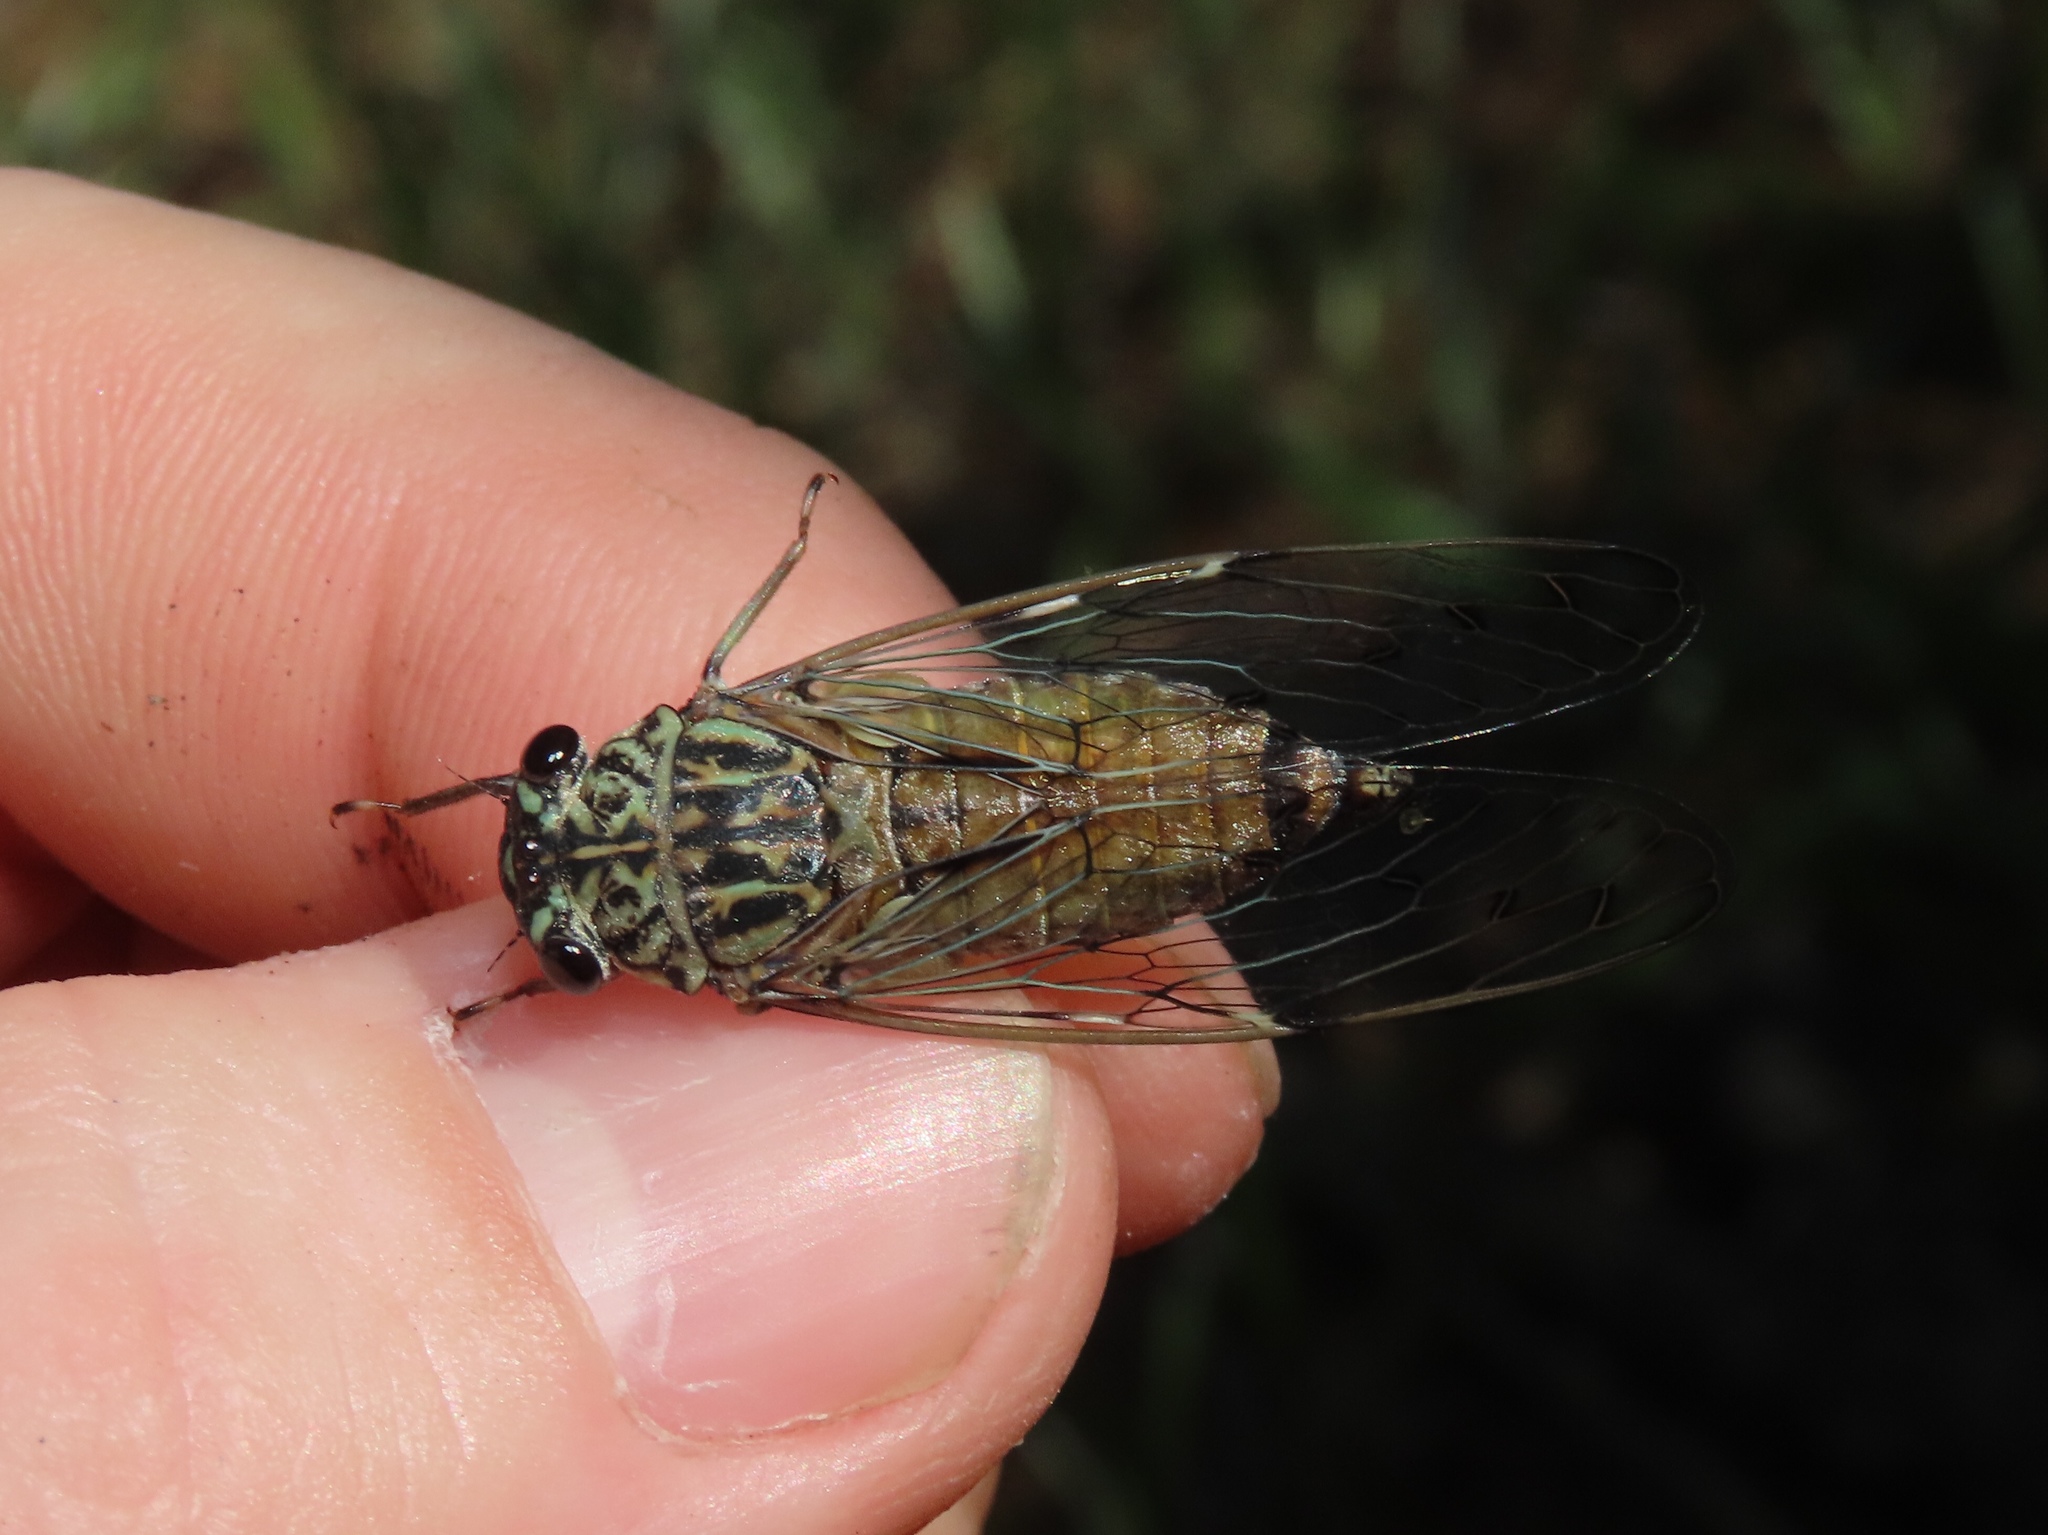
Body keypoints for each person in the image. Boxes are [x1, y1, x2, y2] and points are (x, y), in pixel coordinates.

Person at [0, 170, 1278, 1534]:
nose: (539, 799)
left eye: (550, 775)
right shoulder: (720, 705)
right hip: (1016, 759)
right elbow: (717, 649)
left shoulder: (726, 966)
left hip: (993, 877)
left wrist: (503, 973)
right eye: (565, 949)